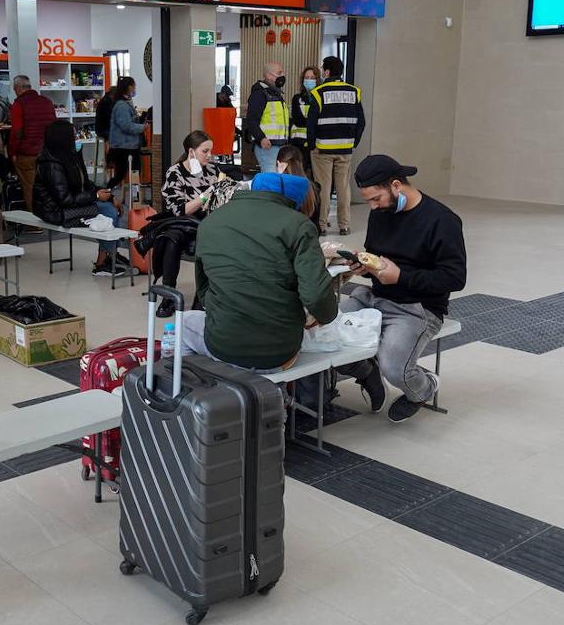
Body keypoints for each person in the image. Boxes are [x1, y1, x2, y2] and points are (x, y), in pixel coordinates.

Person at [334, 155, 466, 424]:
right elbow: (375, 254)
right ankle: (368, 371)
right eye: (369, 200)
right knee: (328, 335)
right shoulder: (382, 213)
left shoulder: (442, 220)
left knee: (395, 369)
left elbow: (455, 278)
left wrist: (401, 277)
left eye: (376, 199)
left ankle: (423, 388)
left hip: (417, 308)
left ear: (396, 185)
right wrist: (363, 264)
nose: (372, 206)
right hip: (375, 296)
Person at [179, 172, 338, 371]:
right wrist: (327, 317)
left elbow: (203, 288)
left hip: (224, 343)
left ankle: (193, 389)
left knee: (181, 324)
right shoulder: (299, 225)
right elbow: (315, 296)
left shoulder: (210, 221)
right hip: (279, 351)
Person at [153, 130, 240, 316]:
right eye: (205, 151)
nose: (210, 155)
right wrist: (205, 195)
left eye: (211, 151)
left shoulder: (213, 170)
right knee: (172, 239)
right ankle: (168, 296)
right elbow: (180, 210)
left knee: (210, 237)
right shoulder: (175, 173)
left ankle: (202, 298)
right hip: (182, 223)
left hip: (208, 222)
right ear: (191, 151)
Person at [33, 120, 128, 278]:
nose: (77, 138)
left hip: (68, 205)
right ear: (63, 139)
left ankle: (110, 255)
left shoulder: (70, 157)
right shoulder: (50, 164)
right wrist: (96, 196)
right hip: (54, 211)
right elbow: (64, 199)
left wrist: (109, 197)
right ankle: (101, 263)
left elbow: (86, 184)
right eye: (74, 135)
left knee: (110, 207)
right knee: (108, 212)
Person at [307, 56, 366, 235]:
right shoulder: (354, 92)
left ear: (326, 72)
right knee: (343, 188)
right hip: (345, 149)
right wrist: (353, 142)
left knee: (323, 188)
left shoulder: (319, 93)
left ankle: (322, 226)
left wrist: (311, 145)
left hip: (322, 149)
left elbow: (311, 123)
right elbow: (361, 122)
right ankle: (344, 225)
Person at [9, 75, 57, 227]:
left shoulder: (18, 104)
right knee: (48, 186)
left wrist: (13, 153)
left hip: (27, 154)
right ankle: (52, 218)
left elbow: (17, 132)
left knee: (29, 188)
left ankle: (34, 224)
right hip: (47, 153)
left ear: (18, 88)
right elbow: (54, 127)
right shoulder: (47, 102)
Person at [245, 61, 290, 174]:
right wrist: (261, 138)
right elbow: (252, 120)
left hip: (279, 145)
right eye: (279, 73)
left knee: (276, 179)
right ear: (269, 75)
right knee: (270, 179)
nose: (282, 75)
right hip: (267, 146)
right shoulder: (260, 94)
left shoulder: (276, 94)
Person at [108, 76, 145, 191]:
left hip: (128, 145)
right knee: (125, 174)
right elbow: (126, 126)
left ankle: (135, 201)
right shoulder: (121, 106)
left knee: (133, 174)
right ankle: (105, 193)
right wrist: (142, 127)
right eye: (134, 86)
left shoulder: (125, 103)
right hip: (124, 147)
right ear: (129, 87)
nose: (135, 88)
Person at [276, 144, 321, 233]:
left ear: (278, 163)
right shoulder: (313, 189)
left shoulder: (278, 189)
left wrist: (280, 177)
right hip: (308, 239)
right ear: (301, 163)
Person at [289, 65, 321, 174]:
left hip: (317, 143)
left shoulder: (321, 98)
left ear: (317, 80)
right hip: (298, 143)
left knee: (316, 175)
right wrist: (313, 121)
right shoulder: (297, 98)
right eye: (306, 77)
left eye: (312, 78)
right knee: (299, 173)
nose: (309, 80)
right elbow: (298, 120)